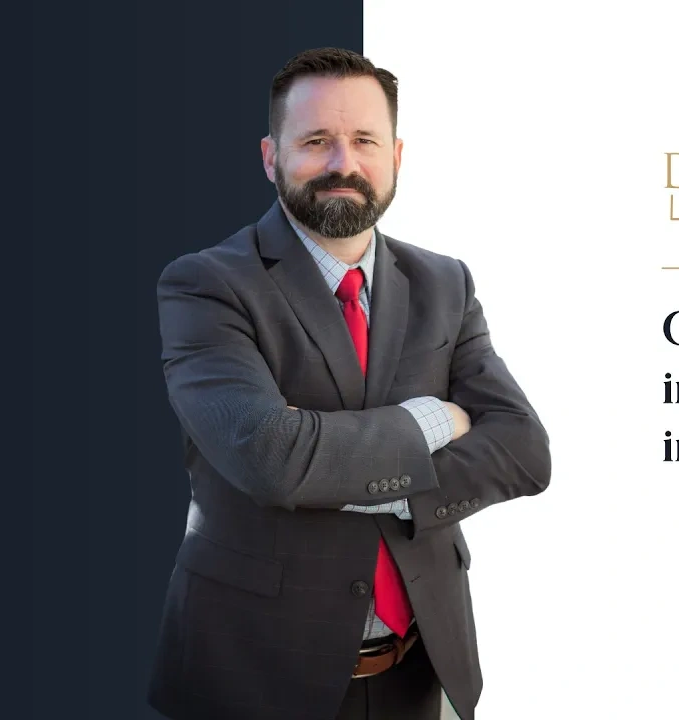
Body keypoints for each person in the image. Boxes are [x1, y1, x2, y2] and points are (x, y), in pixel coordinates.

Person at [146, 47, 551, 720]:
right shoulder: (206, 285)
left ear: (395, 154)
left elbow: (525, 452)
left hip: (421, 669)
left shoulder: (445, 283)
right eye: (315, 141)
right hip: (255, 676)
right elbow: (271, 458)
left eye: (364, 140)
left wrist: (346, 471)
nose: (344, 164)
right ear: (271, 157)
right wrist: (436, 420)